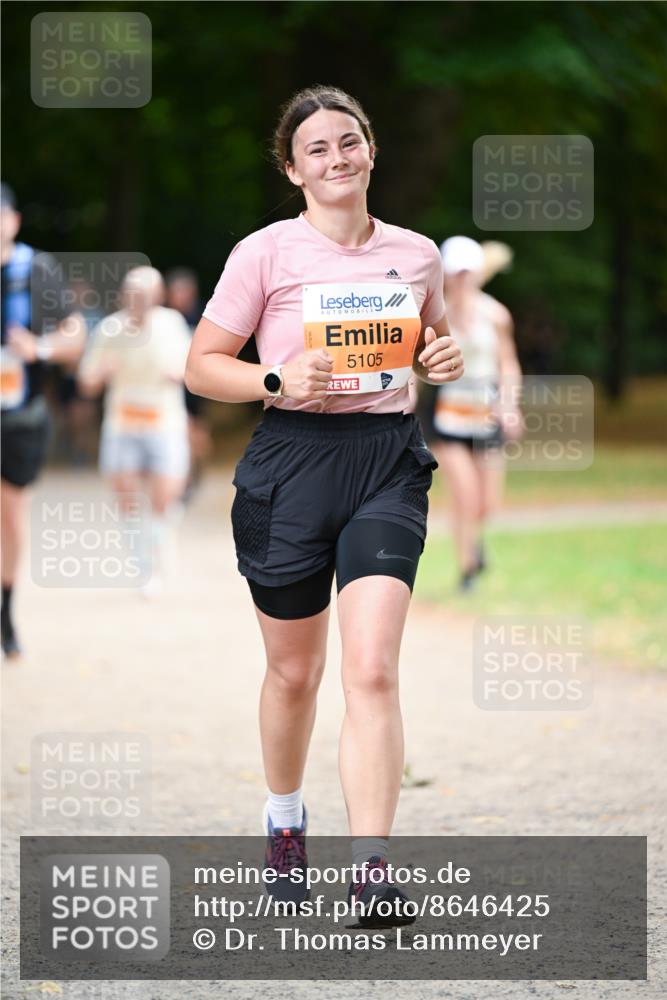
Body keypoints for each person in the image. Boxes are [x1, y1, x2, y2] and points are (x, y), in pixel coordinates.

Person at [185, 86, 463, 926]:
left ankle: (371, 872)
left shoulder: (416, 255)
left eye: (350, 142)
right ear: (291, 167)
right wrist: (272, 378)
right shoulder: (264, 254)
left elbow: (429, 340)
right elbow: (202, 365)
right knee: (294, 672)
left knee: (371, 668)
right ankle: (283, 818)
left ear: (371, 151)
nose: (337, 158)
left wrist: (440, 358)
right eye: (317, 149)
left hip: (385, 460)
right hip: (290, 464)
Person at [1, 183, 85, 657]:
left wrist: (41, 349)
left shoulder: (36, 270)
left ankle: (6, 612)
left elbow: (75, 337)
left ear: (13, 221)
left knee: (10, 516)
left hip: (20, 416)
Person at [78, 266, 191, 597]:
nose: (138, 300)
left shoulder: (171, 324)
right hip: (122, 424)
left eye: (145, 294)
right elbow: (86, 382)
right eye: (132, 293)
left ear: (157, 295)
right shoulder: (110, 329)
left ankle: (161, 538)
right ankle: (143, 565)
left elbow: (191, 368)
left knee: (164, 496)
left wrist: (178, 374)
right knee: (125, 496)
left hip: (164, 422)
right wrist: (100, 372)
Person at [431, 236, 523, 592]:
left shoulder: (496, 314)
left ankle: (475, 543)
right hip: (448, 418)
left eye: (470, 273)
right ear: (447, 275)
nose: (463, 280)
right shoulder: (435, 314)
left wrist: (510, 404)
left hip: (487, 417)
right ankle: (467, 567)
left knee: (487, 505)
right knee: (464, 495)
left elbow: (509, 363)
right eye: (457, 273)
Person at [165, 268, 212, 502]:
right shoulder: (163, 317)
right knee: (180, 431)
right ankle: (182, 480)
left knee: (196, 432)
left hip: (195, 384)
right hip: (171, 384)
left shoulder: (205, 315)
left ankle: (196, 471)